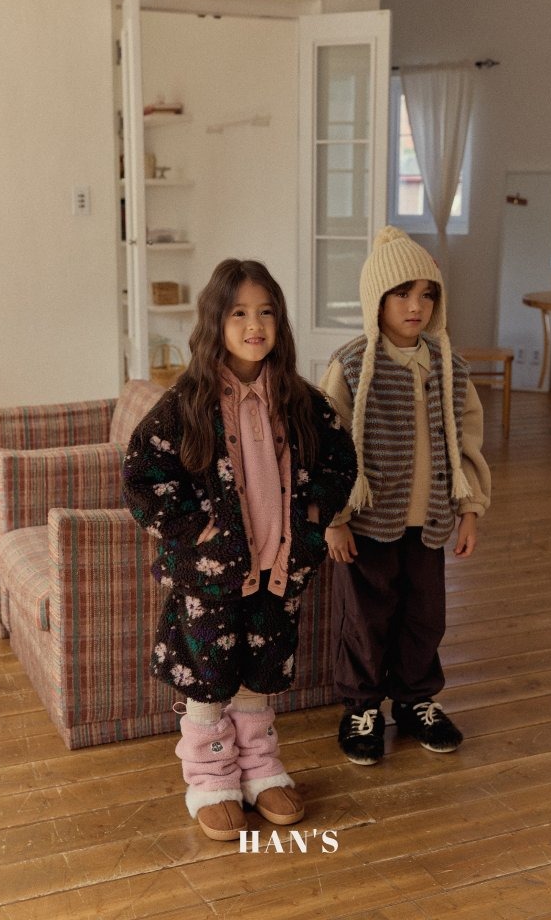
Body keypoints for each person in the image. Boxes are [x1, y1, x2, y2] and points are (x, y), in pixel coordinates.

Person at [123, 258, 356, 841]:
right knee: (208, 676)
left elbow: (339, 460)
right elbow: (143, 475)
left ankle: (260, 768)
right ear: (215, 323)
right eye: (239, 313)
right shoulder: (186, 405)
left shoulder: (301, 401)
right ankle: (210, 778)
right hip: (210, 576)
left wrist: (312, 519)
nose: (255, 325)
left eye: (266, 312)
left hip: (279, 568)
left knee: (261, 670)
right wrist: (192, 530)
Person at [320, 227, 491, 766]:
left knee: (425, 615)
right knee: (365, 618)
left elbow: (467, 440)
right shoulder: (351, 365)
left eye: (427, 294)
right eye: (402, 294)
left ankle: (416, 700)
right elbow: (328, 447)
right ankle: (362, 707)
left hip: (430, 520)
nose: (416, 306)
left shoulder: (449, 365)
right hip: (368, 522)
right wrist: (334, 518)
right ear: (376, 299)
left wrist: (469, 509)